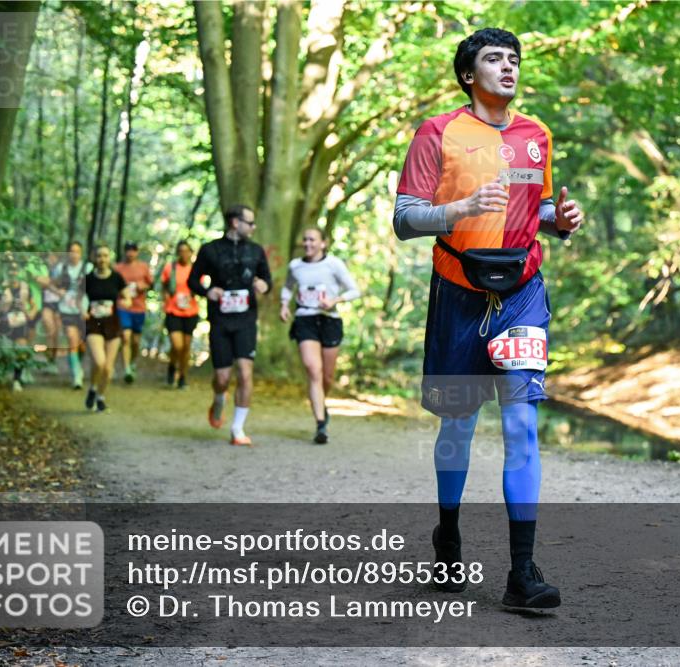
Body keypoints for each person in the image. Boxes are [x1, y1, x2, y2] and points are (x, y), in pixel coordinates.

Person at [393, 28, 584, 609]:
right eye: (494, 58)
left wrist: (559, 219)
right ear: (468, 74)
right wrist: (461, 208)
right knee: (458, 426)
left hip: (522, 292)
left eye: (514, 59)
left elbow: (534, 207)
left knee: (521, 423)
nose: (508, 67)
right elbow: (405, 218)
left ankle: (522, 572)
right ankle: (448, 539)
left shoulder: (536, 135)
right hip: (459, 292)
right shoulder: (437, 132)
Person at [188, 204, 271, 446]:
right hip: (220, 320)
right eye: (250, 223)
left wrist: (264, 286)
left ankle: (237, 428)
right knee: (222, 378)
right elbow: (193, 280)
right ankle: (218, 399)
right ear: (235, 223)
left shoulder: (256, 251)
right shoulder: (210, 250)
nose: (253, 227)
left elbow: (267, 280)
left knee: (245, 373)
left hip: (246, 320)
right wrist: (207, 291)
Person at [280, 228, 360, 444]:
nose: (307, 243)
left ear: (323, 243)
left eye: (312, 240)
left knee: (327, 377)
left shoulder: (334, 264)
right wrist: (284, 305)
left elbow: (354, 291)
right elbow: (288, 287)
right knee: (313, 370)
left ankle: (321, 403)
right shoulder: (295, 266)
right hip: (305, 319)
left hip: (329, 320)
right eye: (305, 239)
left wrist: (334, 301)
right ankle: (320, 424)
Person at [83, 244, 132, 412]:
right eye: (99, 256)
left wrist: (126, 301)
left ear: (109, 258)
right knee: (99, 362)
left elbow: (127, 295)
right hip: (94, 323)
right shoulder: (88, 279)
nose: (102, 259)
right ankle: (92, 387)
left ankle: (100, 397)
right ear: (94, 258)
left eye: (105, 255)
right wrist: (82, 310)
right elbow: (78, 298)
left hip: (112, 323)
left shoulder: (116, 278)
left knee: (108, 367)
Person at [0, 263, 38, 391]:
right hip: (4, 322)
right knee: (5, 351)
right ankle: (2, 374)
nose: (13, 273)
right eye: (10, 270)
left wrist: (31, 313)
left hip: (20, 322)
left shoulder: (25, 287)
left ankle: (17, 379)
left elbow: (34, 305)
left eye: (15, 270)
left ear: (19, 272)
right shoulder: (1, 287)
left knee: (21, 350)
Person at [160, 240, 200, 389]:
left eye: (186, 251)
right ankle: (172, 366)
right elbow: (164, 286)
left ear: (191, 253)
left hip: (190, 312)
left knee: (186, 347)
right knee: (177, 345)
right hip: (173, 311)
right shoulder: (170, 268)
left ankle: (183, 376)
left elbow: (200, 287)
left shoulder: (196, 269)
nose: (184, 254)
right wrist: (165, 297)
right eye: (181, 251)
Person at [53, 241, 91, 389]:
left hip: (84, 310)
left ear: (81, 253)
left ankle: (77, 366)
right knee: (71, 338)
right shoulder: (60, 268)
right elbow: (53, 284)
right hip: (66, 309)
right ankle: (76, 376)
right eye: (71, 251)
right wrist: (58, 291)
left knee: (82, 345)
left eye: (77, 251)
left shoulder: (88, 268)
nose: (74, 254)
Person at [114, 240, 153, 384]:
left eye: (133, 250)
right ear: (124, 251)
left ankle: (132, 362)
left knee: (135, 341)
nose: (130, 253)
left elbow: (151, 284)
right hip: (123, 307)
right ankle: (127, 370)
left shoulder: (143, 267)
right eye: (128, 250)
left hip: (139, 308)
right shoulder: (117, 268)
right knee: (125, 337)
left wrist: (142, 285)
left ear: (137, 252)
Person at [33, 252, 63, 373]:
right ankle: (49, 360)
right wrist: (53, 284)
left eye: (53, 256)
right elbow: (41, 281)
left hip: (60, 304)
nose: (51, 259)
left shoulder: (62, 268)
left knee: (56, 334)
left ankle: (53, 361)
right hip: (46, 303)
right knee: (50, 331)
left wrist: (49, 283)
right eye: (49, 256)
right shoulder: (42, 269)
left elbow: (62, 282)